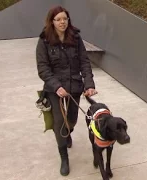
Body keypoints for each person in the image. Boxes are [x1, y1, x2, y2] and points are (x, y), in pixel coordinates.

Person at [35, 6, 97, 176]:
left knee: (71, 120)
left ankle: (67, 132)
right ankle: (64, 158)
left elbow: (84, 62)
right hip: (54, 90)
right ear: (52, 21)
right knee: (58, 123)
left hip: (74, 87)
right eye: (58, 19)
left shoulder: (75, 38)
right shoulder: (44, 40)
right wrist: (56, 86)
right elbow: (43, 68)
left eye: (65, 19)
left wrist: (89, 84)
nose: (62, 22)